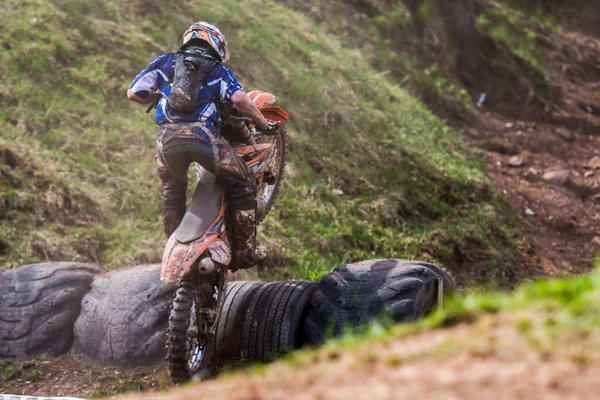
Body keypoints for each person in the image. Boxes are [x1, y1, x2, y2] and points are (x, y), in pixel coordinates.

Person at [127, 22, 271, 269]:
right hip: (204, 140)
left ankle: (174, 246)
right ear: (217, 45)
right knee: (243, 180)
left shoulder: (166, 62)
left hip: (168, 141)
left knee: (172, 189)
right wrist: (263, 123)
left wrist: (158, 96)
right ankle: (245, 251)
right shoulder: (217, 69)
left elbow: (133, 93)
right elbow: (238, 99)